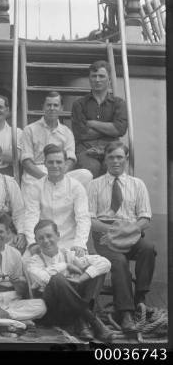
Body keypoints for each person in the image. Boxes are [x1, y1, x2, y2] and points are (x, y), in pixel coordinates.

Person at [87, 141, 156, 333]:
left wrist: (127, 230)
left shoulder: (137, 184)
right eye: (111, 157)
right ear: (105, 160)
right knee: (118, 261)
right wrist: (112, 231)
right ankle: (125, 312)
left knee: (148, 248)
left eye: (119, 157)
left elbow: (145, 218)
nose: (115, 161)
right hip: (104, 233)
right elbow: (89, 218)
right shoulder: (94, 185)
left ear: (126, 159)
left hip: (131, 231)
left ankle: (140, 299)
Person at [24, 219, 113, 341]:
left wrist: (82, 278)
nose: (46, 241)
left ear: (58, 236)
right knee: (57, 279)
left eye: (49, 236)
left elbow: (105, 263)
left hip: (70, 310)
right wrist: (65, 266)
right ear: (36, 241)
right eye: (41, 238)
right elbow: (45, 278)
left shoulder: (69, 255)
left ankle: (80, 322)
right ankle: (92, 320)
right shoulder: (33, 262)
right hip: (52, 312)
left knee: (92, 273)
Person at [23, 144, 91, 257]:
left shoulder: (76, 187)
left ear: (65, 163)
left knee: (80, 266)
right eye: (51, 162)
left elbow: (83, 218)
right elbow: (31, 218)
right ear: (45, 163)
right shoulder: (35, 188)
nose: (55, 166)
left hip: (70, 241)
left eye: (59, 162)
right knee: (26, 262)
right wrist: (33, 243)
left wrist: (80, 243)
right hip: (44, 241)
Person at [20, 92, 93, 189]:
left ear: (61, 108)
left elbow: (70, 159)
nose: (52, 108)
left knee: (86, 174)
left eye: (55, 105)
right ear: (43, 107)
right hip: (37, 171)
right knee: (30, 186)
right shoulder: (29, 129)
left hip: (59, 170)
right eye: (49, 105)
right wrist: (46, 178)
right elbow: (26, 161)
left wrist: (60, 174)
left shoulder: (67, 132)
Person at [72, 60, 128, 178]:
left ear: (109, 80)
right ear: (90, 79)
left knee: (112, 168)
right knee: (91, 169)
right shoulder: (79, 104)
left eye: (101, 76)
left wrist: (92, 123)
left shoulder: (118, 103)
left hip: (111, 149)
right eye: (94, 76)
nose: (97, 80)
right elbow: (81, 133)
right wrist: (110, 128)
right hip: (86, 151)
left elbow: (120, 129)